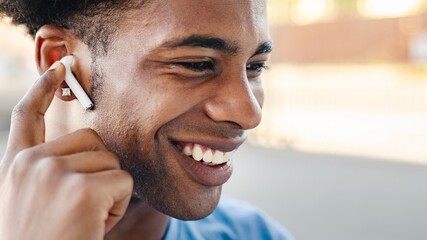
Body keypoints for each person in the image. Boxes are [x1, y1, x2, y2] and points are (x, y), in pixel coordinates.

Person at [0, 0, 294, 239]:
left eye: (255, 67)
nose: (249, 114)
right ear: (60, 61)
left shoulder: (257, 233)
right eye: (197, 64)